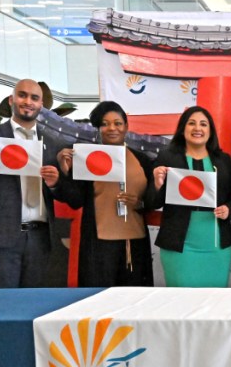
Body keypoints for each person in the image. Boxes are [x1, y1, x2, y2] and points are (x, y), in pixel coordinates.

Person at [0, 79, 68, 288]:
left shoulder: (53, 142)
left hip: (40, 238)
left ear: (41, 105)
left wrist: (55, 183)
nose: (28, 102)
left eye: (34, 98)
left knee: (33, 305)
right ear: (11, 100)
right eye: (22, 95)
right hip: (0, 237)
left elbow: (65, 194)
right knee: (3, 304)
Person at [53, 101, 155, 287]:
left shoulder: (142, 161)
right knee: (99, 299)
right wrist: (64, 172)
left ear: (126, 127)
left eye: (117, 123)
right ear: (98, 129)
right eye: (105, 123)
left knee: (134, 301)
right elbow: (75, 200)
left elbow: (153, 199)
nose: (112, 128)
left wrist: (139, 203)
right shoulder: (87, 158)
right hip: (98, 245)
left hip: (134, 243)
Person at [151, 106, 231, 287]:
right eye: (191, 123)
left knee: (215, 302)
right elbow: (153, 202)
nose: (197, 128)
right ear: (183, 129)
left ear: (210, 130)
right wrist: (157, 184)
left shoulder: (222, 160)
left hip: (216, 245)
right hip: (179, 245)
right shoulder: (168, 157)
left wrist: (228, 209)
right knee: (181, 303)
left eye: (203, 124)